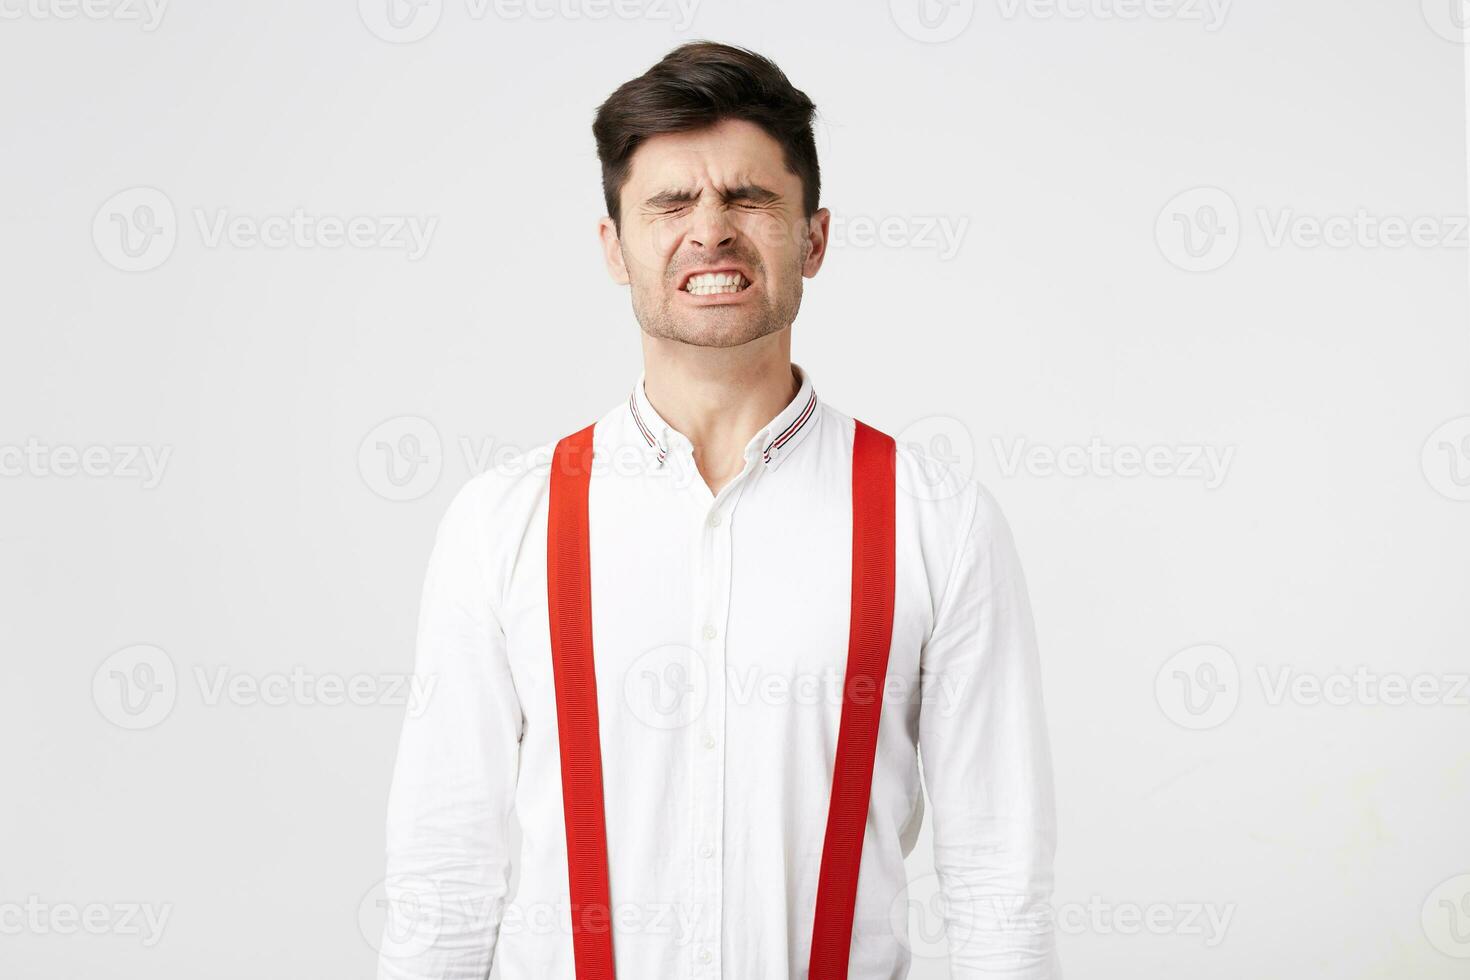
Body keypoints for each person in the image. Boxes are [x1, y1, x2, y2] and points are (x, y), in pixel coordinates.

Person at [376, 40, 1059, 980]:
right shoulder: (503, 522)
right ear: (614, 246)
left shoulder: (937, 522)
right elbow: (443, 880)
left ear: (813, 238)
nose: (710, 233)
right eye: (669, 204)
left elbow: (997, 884)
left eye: (748, 198)